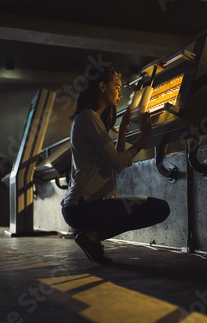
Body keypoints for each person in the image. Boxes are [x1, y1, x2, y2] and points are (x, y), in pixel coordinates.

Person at [61, 66, 170, 265]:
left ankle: (91, 236)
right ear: (102, 86)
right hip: (84, 207)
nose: (121, 93)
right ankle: (92, 237)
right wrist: (144, 138)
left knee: (156, 209)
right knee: (159, 208)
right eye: (117, 87)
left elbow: (116, 164)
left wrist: (122, 132)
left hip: (82, 207)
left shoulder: (90, 119)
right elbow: (119, 161)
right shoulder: (88, 117)